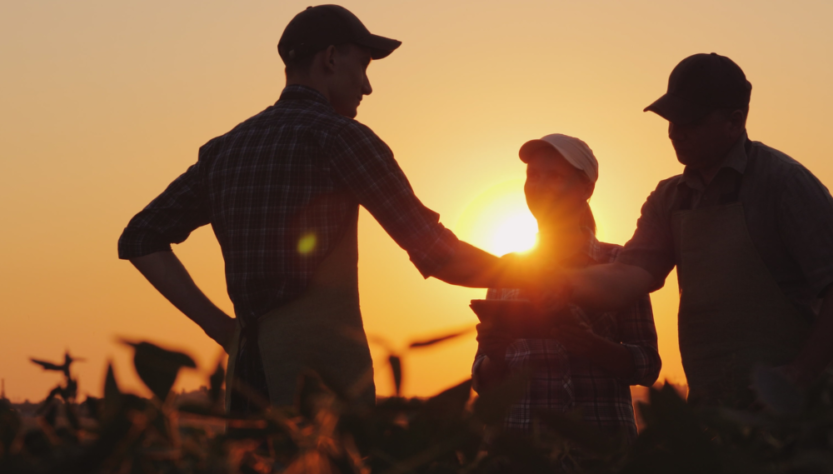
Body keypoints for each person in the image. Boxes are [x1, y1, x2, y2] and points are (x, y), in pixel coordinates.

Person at [118, 5, 545, 413]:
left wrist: (220, 328)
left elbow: (140, 237)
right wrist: (540, 280)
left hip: (246, 383)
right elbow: (439, 254)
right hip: (323, 392)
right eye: (362, 66)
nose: (367, 86)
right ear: (330, 58)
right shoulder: (342, 138)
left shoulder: (225, 150)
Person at [552, 53, 833, 407]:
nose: (675, 132)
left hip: (798, 414)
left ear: (735, 122)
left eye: (690, 120)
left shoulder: (785, 184)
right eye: (670, 118)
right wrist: (547, 279)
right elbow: (627, 277)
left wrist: (798, 377)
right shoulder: (669, 199)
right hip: (712, 410)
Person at [472, 134, 661, 441]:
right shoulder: (505, 270)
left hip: (601, 450)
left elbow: (647, 366)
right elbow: (484, 380)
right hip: (524, 449)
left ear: (587, 188)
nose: (540, 185)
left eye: (555, 176)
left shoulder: (620, 264)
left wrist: (591, 345)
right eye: (533, 175)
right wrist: (495, 353)